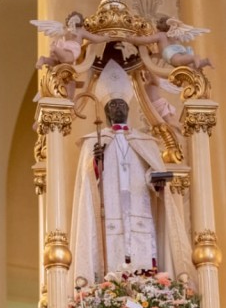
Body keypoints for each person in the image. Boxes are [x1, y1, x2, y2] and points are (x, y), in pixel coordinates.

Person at [70, 60, 194, 286]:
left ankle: (148, 289)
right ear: (107, 112)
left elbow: (152, 173)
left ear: (128, 109)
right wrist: (96, 163)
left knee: (143, 251)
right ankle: (110, 288)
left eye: (121, 105)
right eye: (113, 106)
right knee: (112, 252)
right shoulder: (93, 143)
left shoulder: (145, 141)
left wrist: (155, 181)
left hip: (140, 209)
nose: (118, 108)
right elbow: (87, 185)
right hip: (111, 209)